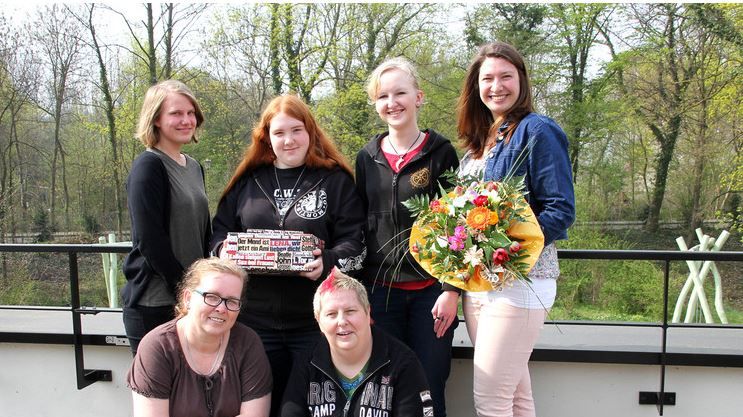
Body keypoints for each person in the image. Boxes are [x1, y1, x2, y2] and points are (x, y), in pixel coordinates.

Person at [211, 94, 366, 417]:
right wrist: (223, 251)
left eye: (296, 130)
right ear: (266, 138)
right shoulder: (247, 183)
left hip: (314, 325)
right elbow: (217, 235)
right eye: (279, 133)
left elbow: (357, 245)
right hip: (254, 324)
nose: (289, 140)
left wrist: (327, 264)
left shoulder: (335, 181)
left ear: (310, 131)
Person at [456, 41, 576, 417]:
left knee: (490, 400)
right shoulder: (481, 141)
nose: (497, 86)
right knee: (515, 396)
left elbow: (560, 209)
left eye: (506, 76)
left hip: (520, 281)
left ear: (522, 80)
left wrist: (504, 247)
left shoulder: (538, 130)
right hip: (479, 285)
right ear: (476, 86)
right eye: (487, 78)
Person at [354, 56, 460, 417]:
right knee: (384, 386)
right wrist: (359, 295)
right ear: (375, 104)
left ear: (419, 97)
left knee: (429, 385)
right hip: (380, 295)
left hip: (431, 295)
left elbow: (458, 226)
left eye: (400, 92)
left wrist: (451, 291)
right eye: (383, 96)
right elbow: (357, 226)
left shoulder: (441, 152)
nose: (392, 102)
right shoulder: (366, 158)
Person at [122, 80, 211, 354]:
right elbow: (150, 241)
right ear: (156, 119)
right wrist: (186, 291)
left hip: (190, 301)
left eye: (190, 113)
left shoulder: (193, 167)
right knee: (159, 395)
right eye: (176, 113)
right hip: (156, 304)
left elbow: (202, 232)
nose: (186, 120)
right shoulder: (148, 167)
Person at [127, 257, 272, 417]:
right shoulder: (157, 347)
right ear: (188, 298)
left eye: (231, 301)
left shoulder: (248, 344)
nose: (222, 308)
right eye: (212, 297)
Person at [280, 269, 434, 417]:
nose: (342, 321)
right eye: (331, 314)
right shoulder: (307, 363)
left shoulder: (403, 364)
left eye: (350, 311)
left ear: (368, 312)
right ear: (318, 321)